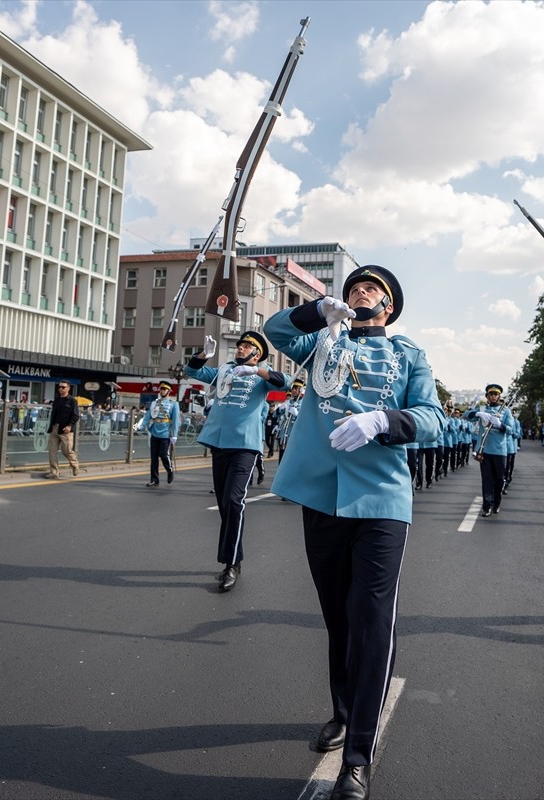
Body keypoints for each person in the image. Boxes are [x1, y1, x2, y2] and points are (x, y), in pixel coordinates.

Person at [265, 265, 443, 800]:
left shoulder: (409, 354)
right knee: (337, 618)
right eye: (353, 290)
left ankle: (357, 758)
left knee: (372, 621)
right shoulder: (322, 344)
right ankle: (341, 711)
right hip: (321, 494)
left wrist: (384, 422)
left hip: (382, 499)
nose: (361, 294)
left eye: (373, 291)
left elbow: (432, 418)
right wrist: (317, 311)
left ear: (388, 308)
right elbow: (275, 331)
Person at [184, 331, 287, 592]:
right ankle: (235, 556)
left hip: (244, 446)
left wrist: (257, 372)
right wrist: (202, 356)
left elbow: (284, 383)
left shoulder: (263, 373)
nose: (240, 349)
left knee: (233, 501)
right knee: (224, 504)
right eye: (239, 345)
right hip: (219, 443)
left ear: (257, 353)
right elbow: (192, 372)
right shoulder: (225, 370)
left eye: (246, 346)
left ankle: (230, 563)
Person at [466, 384, 511, 516]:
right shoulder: (482, 408)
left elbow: (511, 429)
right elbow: (466, 415)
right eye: (491, 394)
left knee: (499, 478)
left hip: (499, 450)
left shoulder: (505, 411)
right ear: (487, 396)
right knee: (487, 479)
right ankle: (487, 506)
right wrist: (477, 413)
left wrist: (500, 425)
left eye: (495, 394)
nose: (493, 396)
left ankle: (497, 502)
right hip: (484, 449)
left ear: (499, 396)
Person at [136, 379, 180, 487]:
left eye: (164, 389)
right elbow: (148, 417)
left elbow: (175, 421)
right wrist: (141, 425)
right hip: (155, 431)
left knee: (164, 455)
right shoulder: (154, 403)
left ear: (169, 391)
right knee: (154, 457)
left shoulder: (174, 404)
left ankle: (169, 470)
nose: (162, 390)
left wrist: (174, 435)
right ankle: (154, 479)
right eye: (161, 388)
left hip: (165, 433)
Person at [46, 380, 81, 478]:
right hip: (54, 428)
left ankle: (75, 465)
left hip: (66, 429)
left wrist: (69, 426)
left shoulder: (72, 400)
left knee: (66, 450)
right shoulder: (56, 400)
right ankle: (54, 472)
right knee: (52, 451)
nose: (60, 389)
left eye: (63, 387)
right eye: (59, 387)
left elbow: (75, 415)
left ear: (68, 388)